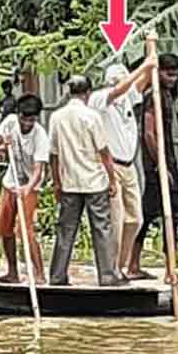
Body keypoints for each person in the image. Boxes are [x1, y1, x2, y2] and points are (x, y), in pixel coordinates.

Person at [47, 75, 123, 287]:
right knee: (102, 229)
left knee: (65, 230)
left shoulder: (56, 117)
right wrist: (112, 179)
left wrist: (56, 182)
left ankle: (57, 276)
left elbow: (53, 155)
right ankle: (107, 276)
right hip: (94, 182)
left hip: (69, 181)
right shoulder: (92, 116)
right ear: (88, 93)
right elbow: (104, 151)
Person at [89, 47, 156, 277]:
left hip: (129, 167)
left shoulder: (128, 99)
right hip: (110, 166)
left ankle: (121, 264)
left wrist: (151, 58)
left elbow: (141, 84)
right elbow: (120, 89)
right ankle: (111, 268)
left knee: (135, 218)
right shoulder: (99, 99)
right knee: (115, 222)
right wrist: (144, 65)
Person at [126, 51, 178, 285]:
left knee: (150, 213)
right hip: (158, 164)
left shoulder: (165, 94)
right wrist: (161, 165)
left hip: (163, 161)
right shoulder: (155, 96)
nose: (172, 79)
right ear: (158, 72)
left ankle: (134, 265)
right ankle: (170, 269)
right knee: (169, 212)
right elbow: (149, 133)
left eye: (175, 75)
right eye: (168, 74)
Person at [0, 94, 49, 284]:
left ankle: (39, 273)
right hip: (11, 181)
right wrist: (3, 146)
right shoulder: (10, 122)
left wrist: (27, 188)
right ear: (18, 114)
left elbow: (38, 169)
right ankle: (12, 272)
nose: (27, 123)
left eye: (31, 120)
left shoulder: (40, 136)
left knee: (24, 229)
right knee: (5, 228)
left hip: (30, 184)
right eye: (24, 119)